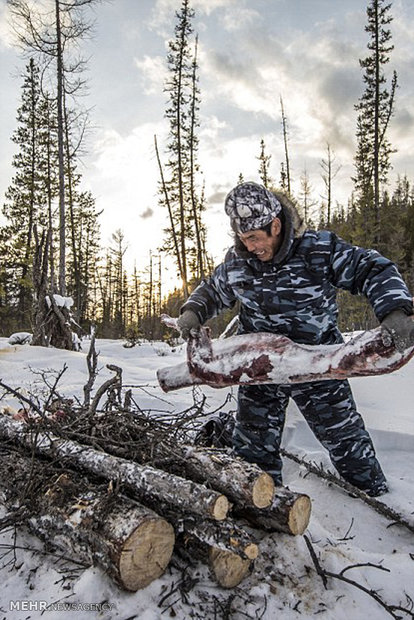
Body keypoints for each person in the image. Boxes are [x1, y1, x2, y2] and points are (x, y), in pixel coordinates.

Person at [177, 182, 414, 496]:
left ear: (275, 226)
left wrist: (395, 308)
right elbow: (212, 290)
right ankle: (263, 509)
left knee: (344, 436)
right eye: (243, 238)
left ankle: (379, 499)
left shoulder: (317, 249)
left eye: (254, 238)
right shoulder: (238, 262)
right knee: (253, 445)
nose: (249, 247)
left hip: (317, 360)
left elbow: (371, 269)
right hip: (259, 366)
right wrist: (194, 309)